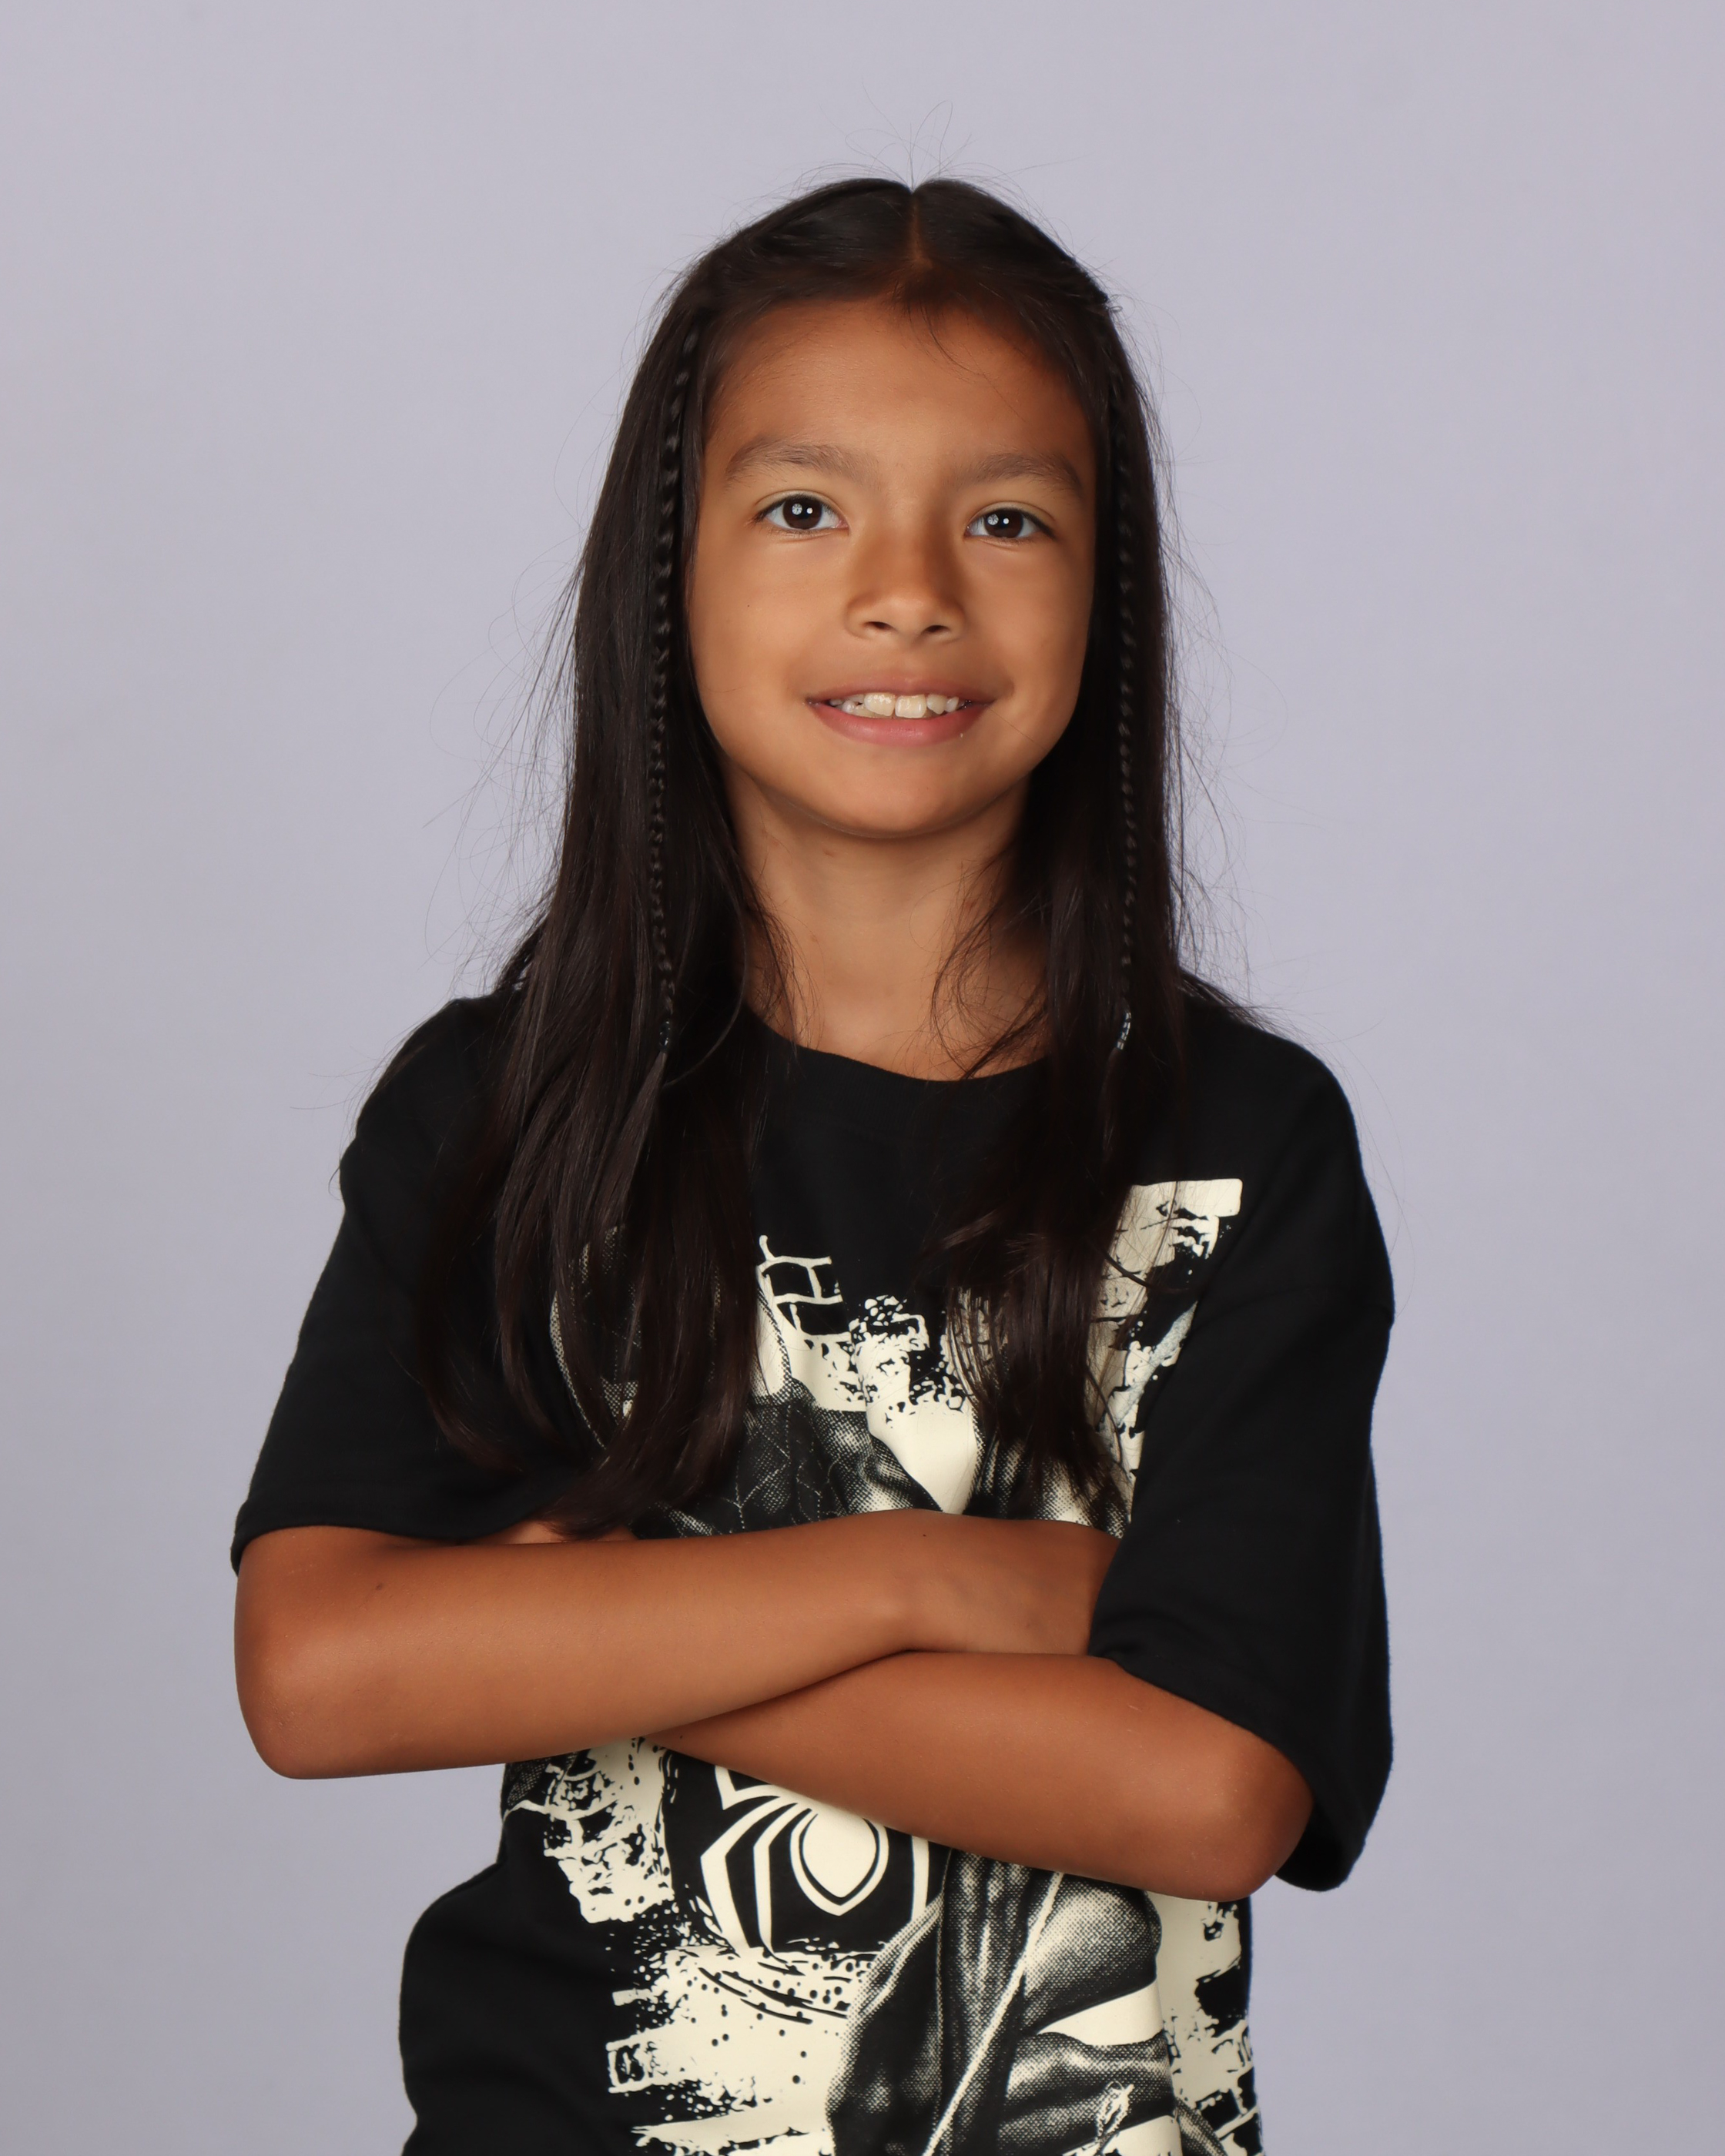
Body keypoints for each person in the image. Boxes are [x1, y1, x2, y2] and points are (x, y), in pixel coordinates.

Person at [233, 177, 1393, 2156]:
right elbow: (323, 1668)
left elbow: (1206, 1791)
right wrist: (924, 1577)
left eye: (1005, 518)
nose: (908, 587)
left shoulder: (1236, 1141)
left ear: (1106, 591)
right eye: (801, 508)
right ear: (664, 571)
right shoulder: (512, 1112)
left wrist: (578, 1631)